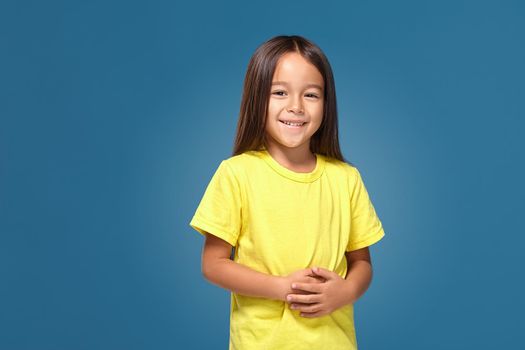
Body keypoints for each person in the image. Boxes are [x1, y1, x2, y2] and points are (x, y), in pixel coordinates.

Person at [188, 34, 385, 350]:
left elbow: (362, 263)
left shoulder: (347, 179)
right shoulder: (236, 173)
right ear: (257, 99)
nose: (296, 107)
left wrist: (346, 292)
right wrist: (281, 287)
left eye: (311, 95)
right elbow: (213, 264)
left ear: (326, 103)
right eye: (279, 92)